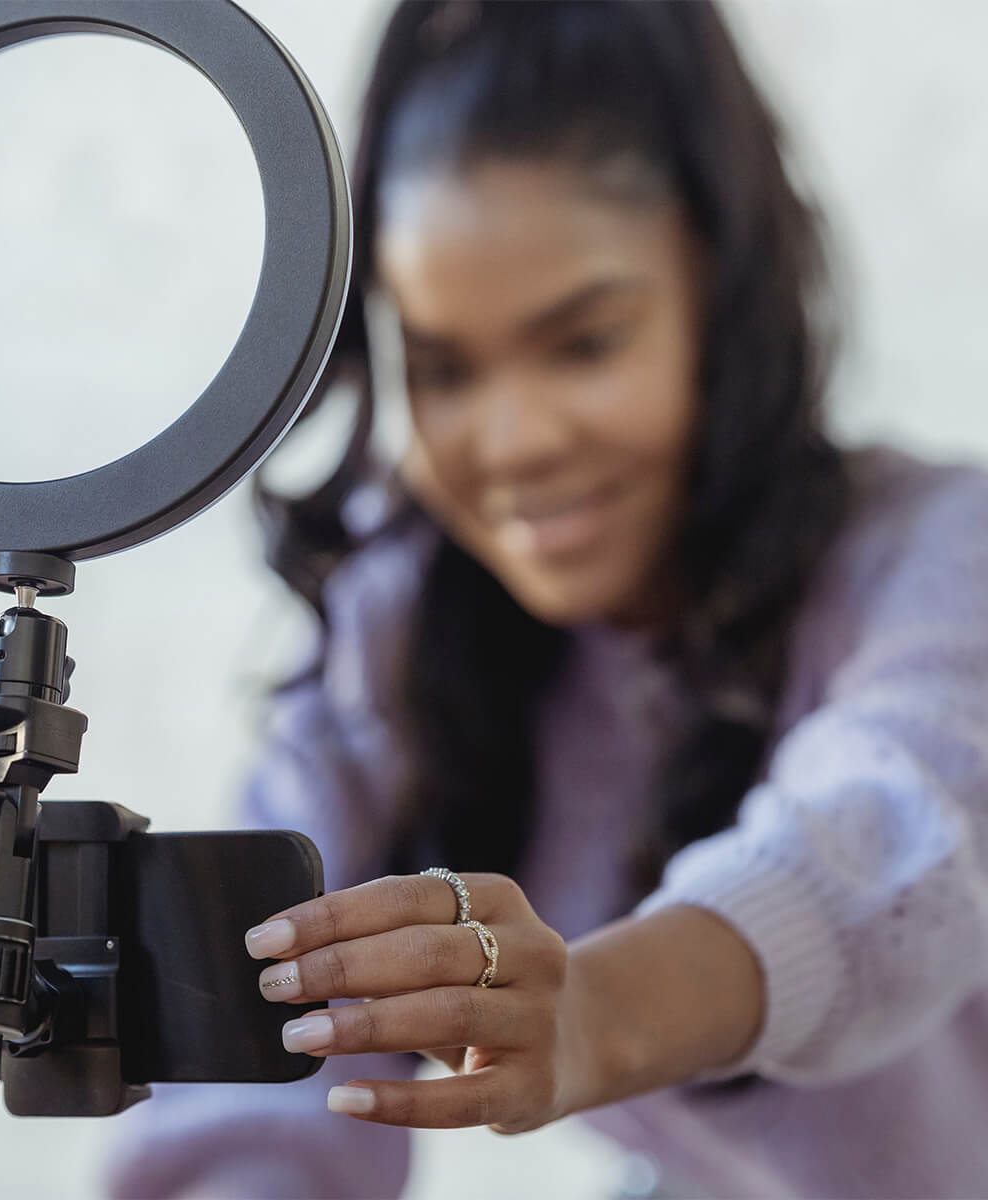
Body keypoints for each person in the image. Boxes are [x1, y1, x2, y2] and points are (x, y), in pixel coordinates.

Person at [107, 2, 988, 1196]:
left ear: (717, 296)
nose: (513, 444)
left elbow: (887, 850)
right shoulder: (398, 629)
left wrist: (591, 1017)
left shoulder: (939, 551)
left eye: (586, 343)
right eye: (446, 369)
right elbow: (255, 1079)